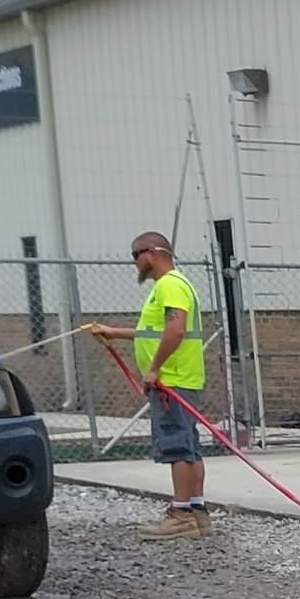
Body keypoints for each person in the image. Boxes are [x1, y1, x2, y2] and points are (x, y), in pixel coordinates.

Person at [89, 231, 209, 540]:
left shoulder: (170, 285)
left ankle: (180, 514)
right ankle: (197, 512)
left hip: (173, 379)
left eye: (135, 255)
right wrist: (112, 332)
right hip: (181, 378)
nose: (134, 263)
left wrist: (154, 369)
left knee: (178, 446)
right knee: (189, 446)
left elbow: (176, 329)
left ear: (152, 253)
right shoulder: (171, 287)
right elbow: (153, 332)